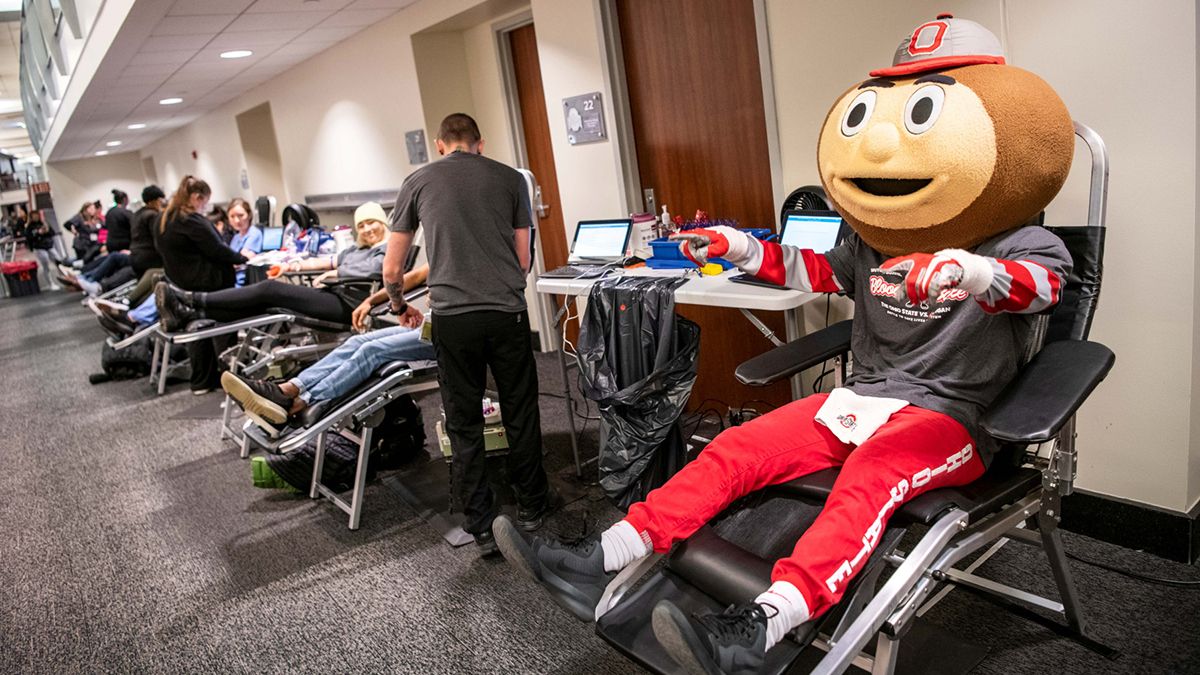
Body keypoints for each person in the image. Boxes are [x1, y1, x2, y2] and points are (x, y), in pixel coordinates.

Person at [494, 16, 1076, 674]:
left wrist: (971, 271)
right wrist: (741, 246)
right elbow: (815, 271)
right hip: (864, 401)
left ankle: (760, 630)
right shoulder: (875, 240)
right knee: (735, 445)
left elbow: (1036, 289)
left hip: (950, 418)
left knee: (869, 480)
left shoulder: (1021, 243)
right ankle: (603, 556)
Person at [382, 113, 557, 556]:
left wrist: (399, 305)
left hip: (453, 319)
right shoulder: (511, 179)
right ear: (479, 143)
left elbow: (391, 269)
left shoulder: (417, 182)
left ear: (440, 145)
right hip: (506, 314)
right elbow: (523, 260)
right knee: (519, 408)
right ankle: (533, 507)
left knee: (464, 420)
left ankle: (482, 524)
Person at [220, 262, 432, 436]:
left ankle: (299, 404)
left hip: (450, 333)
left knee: (372, 351)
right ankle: (287, 390)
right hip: (432, 324)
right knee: (357, 343)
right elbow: (414, 276)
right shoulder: (449, 250)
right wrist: (371, 300)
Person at [155, 202, 392, 329]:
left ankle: (193, 299)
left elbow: (373, 270)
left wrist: (335, 273)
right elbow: (326, 260)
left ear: (382, 222)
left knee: (269, 290)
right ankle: (192, 313)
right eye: (361, 225)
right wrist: (290, 267)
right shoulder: (357, 248)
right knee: (266, 304)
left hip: (352, 305)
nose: (367, 229)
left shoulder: (389, 248)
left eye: (371, 223)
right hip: (334, 295)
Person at [156, 176, 248, 394]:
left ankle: (202, 380)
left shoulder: (166, 219)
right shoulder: (191, 221)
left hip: (184, 285)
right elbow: (216, 249)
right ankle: (231, 378)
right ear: (196, 197)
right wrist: (241, 259)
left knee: (199, 326)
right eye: (204, 201)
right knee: (225, 322)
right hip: (209, 285)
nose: (205, 206)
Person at [22, 211, 63, 291]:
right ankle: (51, 283)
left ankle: (64, 277)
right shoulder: (30, 227)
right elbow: (29, 238)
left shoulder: (44, 223)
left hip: (49, 246)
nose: (36, 217)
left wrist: (47, 231)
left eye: (36, 215)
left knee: (59, 261)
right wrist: (37, 233)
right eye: (34, 216)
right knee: (46, 265)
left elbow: (52, 232)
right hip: (39, 247)